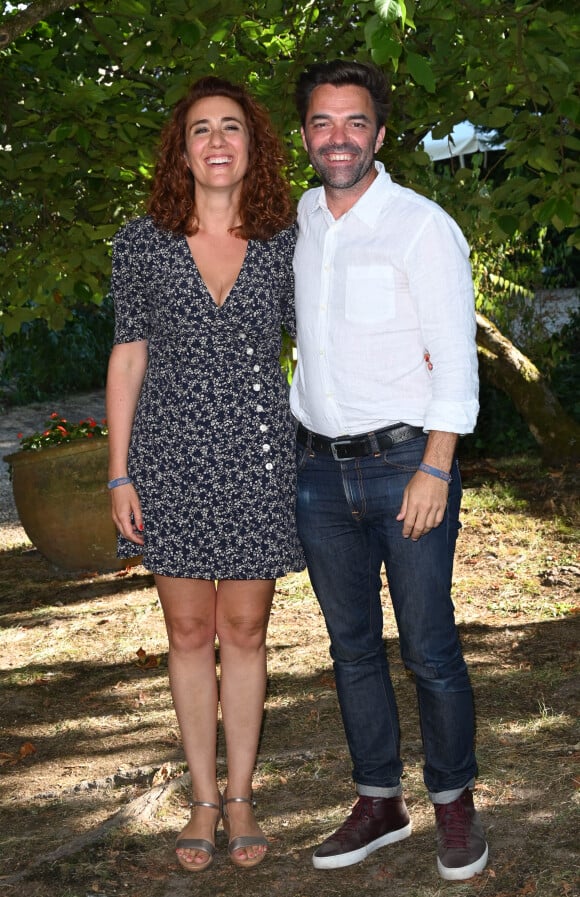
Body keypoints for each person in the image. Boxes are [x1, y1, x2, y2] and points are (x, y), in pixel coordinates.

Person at [291, 60, 488, 881]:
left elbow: (456, 358)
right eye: (323, 123)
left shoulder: (420, 225)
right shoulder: (300, 217)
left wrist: (436, 468)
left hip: (408, 463)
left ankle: (452, 803)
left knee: (430, 647)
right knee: (351, 647)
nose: (339, 138)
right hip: (319, 477)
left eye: (355, 122)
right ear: (306, 134)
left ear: (379, 132)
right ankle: (379, 799)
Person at [106, 75, 304, 873]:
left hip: (259, 457)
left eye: (231, 127)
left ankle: (245, 792)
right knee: (188, 632)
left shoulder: (289, 240)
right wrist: (119, 474)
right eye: (200, 130)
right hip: (170, 459)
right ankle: (201, 796)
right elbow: (127, 355)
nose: (216, 141)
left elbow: (323, 336)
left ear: (252, 144)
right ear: (180, 150)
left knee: (245, 632)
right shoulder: (140, 241)